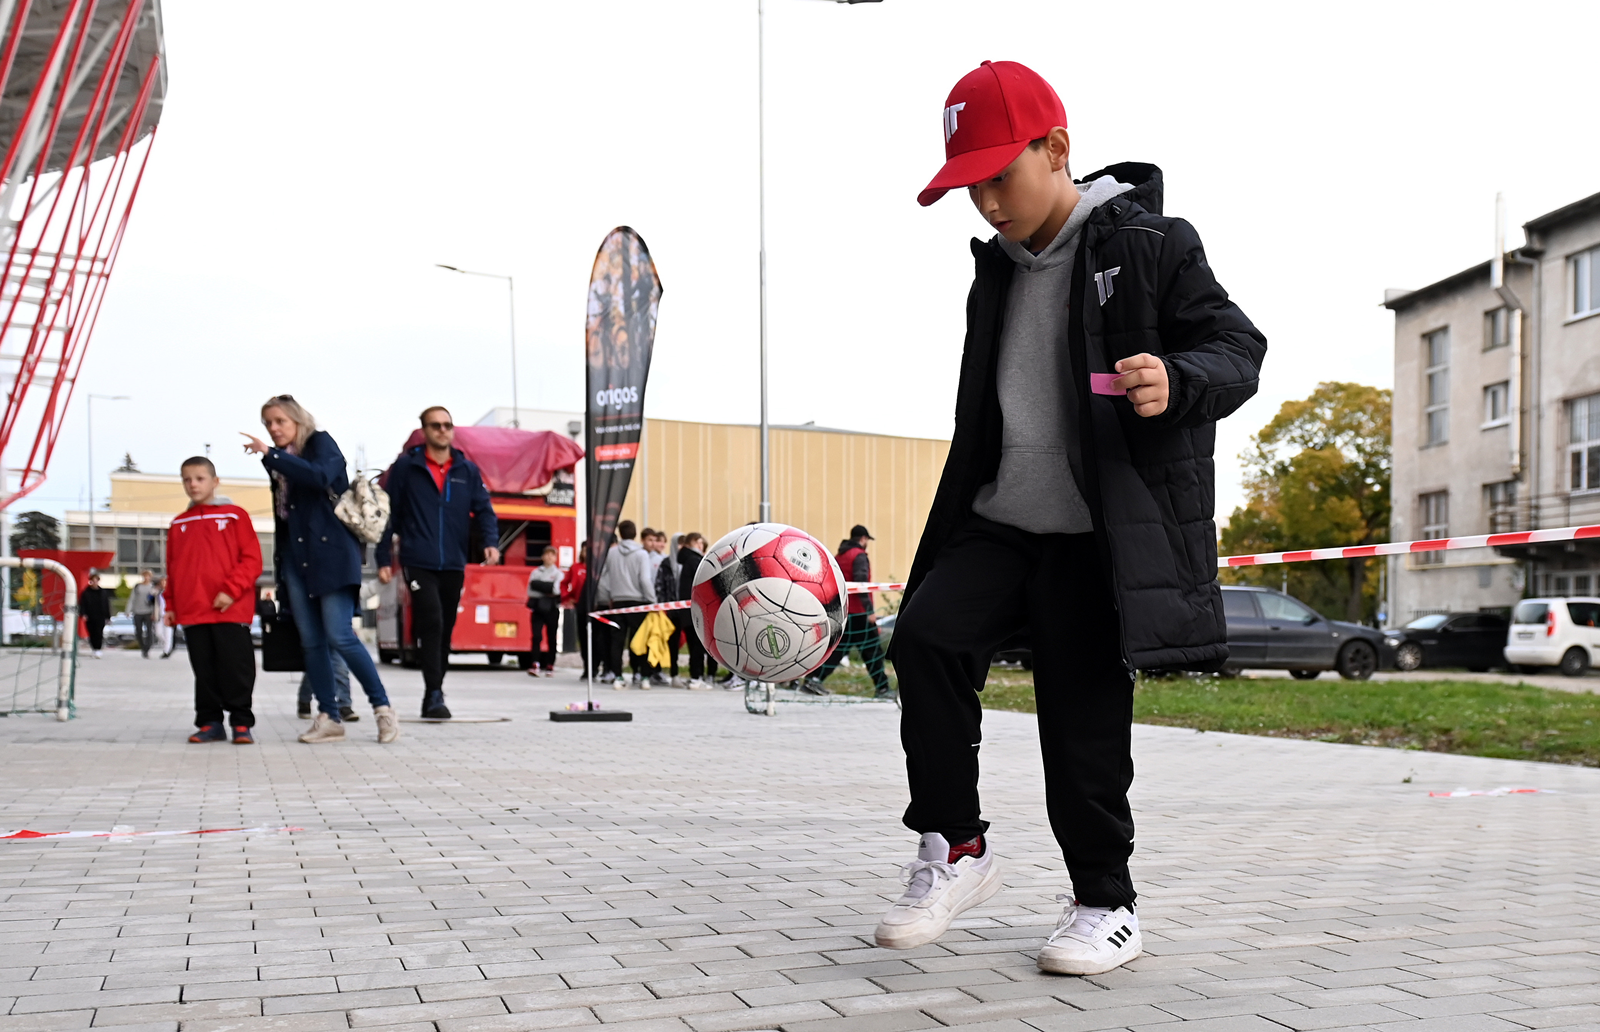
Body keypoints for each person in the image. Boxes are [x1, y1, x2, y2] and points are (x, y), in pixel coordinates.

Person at [877, 62, 1266, 976]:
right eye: (968, 186)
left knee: (1080, 723)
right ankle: (956, 846)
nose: (986, 203)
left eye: (998, 177)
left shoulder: (1154, 244)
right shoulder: (994, 270)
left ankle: (1105, 904)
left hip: (1096, 537)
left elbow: (1238, 347)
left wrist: (1178, 379)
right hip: (1000, 519)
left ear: (1057, 148)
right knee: (924, 639)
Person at [243, 394, 399, 745]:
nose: (273, 428)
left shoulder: (319, 443)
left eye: (280, 421)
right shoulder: (278, 460)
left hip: (332, 555)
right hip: (295, 558)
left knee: (340, 635)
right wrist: (281, 569)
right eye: (268, 423)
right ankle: (329, 716)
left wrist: (272, 454)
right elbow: (284, 517)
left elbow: (320, 476)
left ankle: (383, 709)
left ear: (298, 420)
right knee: (311, 642)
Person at [375, 406, 500, 718]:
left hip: (454, 562)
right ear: (424, 431)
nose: (442, 430)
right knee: (431, 620)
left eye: (447, 425)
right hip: (418, 559)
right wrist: (382, 557)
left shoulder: (466, 471)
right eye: (435, 425)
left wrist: (490, 542)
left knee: (445, 627)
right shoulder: (407, 467)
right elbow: (388, 513)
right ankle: (434, 693)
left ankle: (434, 689)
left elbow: (484, 509)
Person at [166, 457, 264, 744]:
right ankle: (210, 723)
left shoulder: (235, 516)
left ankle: (241, 723)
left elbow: (252, 559)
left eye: (200, 478)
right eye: (187, 479)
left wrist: (231, 591)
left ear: (215, 481)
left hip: (230, 609)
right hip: (192, 610)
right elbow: (172, 568)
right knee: (204, 671)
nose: (193, 484)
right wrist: (170, 605)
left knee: (236, 667)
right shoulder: (178, 523)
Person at [804, 525, 891, 698]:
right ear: (863, 539)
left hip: (842, 611)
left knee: (837, 649)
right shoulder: (859, 556)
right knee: (873, 651)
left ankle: (813, 678)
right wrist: (869, 611)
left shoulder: (839, 556)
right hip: (859, 612)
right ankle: (883, 688)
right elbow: (861, 584)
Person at [594, 520, 654, 688]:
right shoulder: (642, 554)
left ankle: (618, 676)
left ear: (620, 533)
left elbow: (602, 579)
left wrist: (608, 596)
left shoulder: (611, 553)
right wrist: (652, 600)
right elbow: (645, 579)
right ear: (635, 534)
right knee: (641, 640)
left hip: (618, 602)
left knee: (617, 642)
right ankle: (643, 675)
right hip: (638, 603)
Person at [673, 533, 716, 690]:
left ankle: (695, 676)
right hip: (695, 611)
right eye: (698, 542)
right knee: (697, 646)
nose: (701, 545)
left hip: (687, 611)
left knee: (694, 646)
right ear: (691, 543)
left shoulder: (686, 560)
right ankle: (696, 678)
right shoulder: (694, 561)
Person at [526, 546, 562, 676]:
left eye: (552, 555)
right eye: (547, 554)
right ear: (542, 557)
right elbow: (530, 591)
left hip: (552, 608)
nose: (549, 557)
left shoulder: (558, 574)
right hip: (538, 608)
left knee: (552, 637)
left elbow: (557, 590)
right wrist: (548, 587)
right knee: (536, 636)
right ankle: (535, 663)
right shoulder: (536, 572)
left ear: (555, 558)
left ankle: (550, 664)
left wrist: (539, 585)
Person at [562, 541, 589, 676]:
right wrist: (567, 598)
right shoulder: (575, 567)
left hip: (595, 606)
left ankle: (596, 665)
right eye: (585, 550)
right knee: (583, 637)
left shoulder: (597, 568)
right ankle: (587, 667)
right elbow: (564, 583)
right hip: (580, 606)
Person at [126, 569, 158, 657]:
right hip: (138, 611)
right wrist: (128, 610)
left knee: (149, 631)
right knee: (138, 631)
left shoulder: (153, 587)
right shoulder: (137, 587)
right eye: (145, 576)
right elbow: (132, 599)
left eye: (148, 576)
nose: (146, 578)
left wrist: (154, 613)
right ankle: (143, 647)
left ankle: (147, 648)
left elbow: (155, 602)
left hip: (149, 612)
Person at [80, 573, 112, 658]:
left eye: (96, 580)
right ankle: (94, 648)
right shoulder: (86, 592)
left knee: (99, 632)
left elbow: (106, 605)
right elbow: (82, 604)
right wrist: (83, 614)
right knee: (91, 633)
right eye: (93, 580)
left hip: (100, 616)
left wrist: (108, 616)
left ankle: (98, 649)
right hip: (90, 616)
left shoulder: (103, 592)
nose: (95, 582)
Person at [152, 576, 174, 658]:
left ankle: (166, 650)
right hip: (159, 615)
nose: (163, 584)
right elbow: (150, 597)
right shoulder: (158, 593)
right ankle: (166, 645)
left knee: (168, 634)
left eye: (165, 582)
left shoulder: (172, 592)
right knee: (158, 633)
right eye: (162, 582)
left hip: (168, 615)